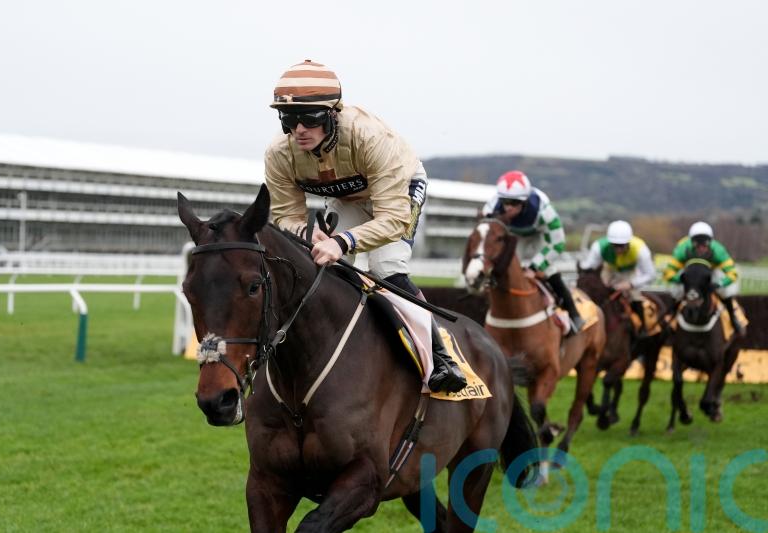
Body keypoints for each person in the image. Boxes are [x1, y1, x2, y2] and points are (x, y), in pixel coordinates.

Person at [263, 59, 466, 393]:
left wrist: (341, 241)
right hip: (347, 197)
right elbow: (285, 216)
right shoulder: (278, 153)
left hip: (397, 192)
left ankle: (441, 356)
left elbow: (392, 219)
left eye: (309, 118)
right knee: (331, 268)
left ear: (332, 113)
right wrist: (305, 234)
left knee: (385, 267)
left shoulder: (370, 137)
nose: (299, 130)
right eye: (289, 118)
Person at [482, 170, 585, 334]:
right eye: (504, 202)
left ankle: (574, 314)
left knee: (549, 270)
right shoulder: (490, 209)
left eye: (514, 203)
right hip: (514, 236)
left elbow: (558, 243)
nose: (508, 207)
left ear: (525, 201)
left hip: (539, 235)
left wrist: (535, 268)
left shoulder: (545, 212)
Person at [663, 221, 743, 334]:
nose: (701, 247)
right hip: (690, 274)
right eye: (697, 243)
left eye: (705, 243)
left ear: (711, 241)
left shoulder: (718, 250)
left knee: (726, 291)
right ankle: (670, 318)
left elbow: (732, 273)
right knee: (677, 291)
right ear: (690, 241)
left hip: (711, 273)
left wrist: (720, 283)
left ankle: (733, 318)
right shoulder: (682, 249)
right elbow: (668, 272)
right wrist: (680, 279)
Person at [579, 220, 656, 336]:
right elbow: (589, 268)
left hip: (629, 274)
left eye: (622, 246)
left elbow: (651, 275)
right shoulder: (598, 247)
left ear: (629, 242)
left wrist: (630, 284)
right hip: (609, 269)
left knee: (635, 297)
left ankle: (642, 329)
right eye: (614, 246)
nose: (618, 250)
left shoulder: (641, 249)